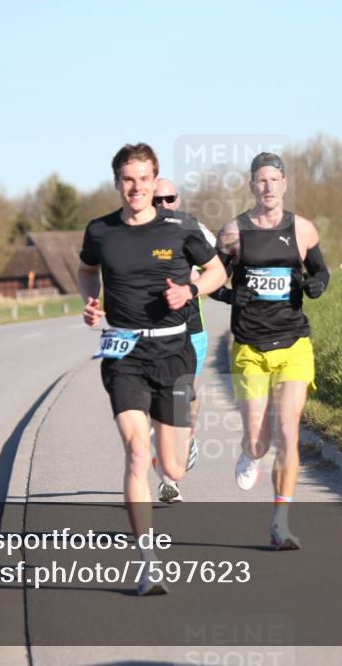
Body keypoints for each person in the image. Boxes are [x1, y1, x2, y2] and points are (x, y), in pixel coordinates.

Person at [78, 143, 226, 594]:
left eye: (144, 178)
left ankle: (183, 445)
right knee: (137, 454)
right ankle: (147, 564)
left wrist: (192, 290)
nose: (136, 187)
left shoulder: (180, 228)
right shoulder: (100, 231)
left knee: (174, 470)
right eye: (127, 178)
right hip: (123, 351)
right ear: (117, 182)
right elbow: (86, 270)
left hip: (173, 351)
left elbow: (217, 270)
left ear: (154, 178)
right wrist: (89, 300)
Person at [212, 152, 329, 550]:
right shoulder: (233, 232)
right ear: (251, 186)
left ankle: (280, 522)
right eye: (260, 180)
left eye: (274, 179)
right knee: (258, 440)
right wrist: (232, 295)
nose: (268, 187)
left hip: (294, 343)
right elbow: (209, 279)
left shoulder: (303, 230)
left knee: (287, 431)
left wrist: (317, 286)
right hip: (250, 347)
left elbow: (321, 271)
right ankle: (249, 454)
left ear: (284, 184)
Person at [152, 178, 217, 503]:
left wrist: (196, 282)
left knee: (184, 394)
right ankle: (169, 472)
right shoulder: (135, 231)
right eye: (157, 198)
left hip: (190, 329)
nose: (163, 204)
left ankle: (183, 446)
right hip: (148, 332)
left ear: (177, 200)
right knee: (155, 404)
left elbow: (218, 269)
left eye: (169, 198)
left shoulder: (194, 228)